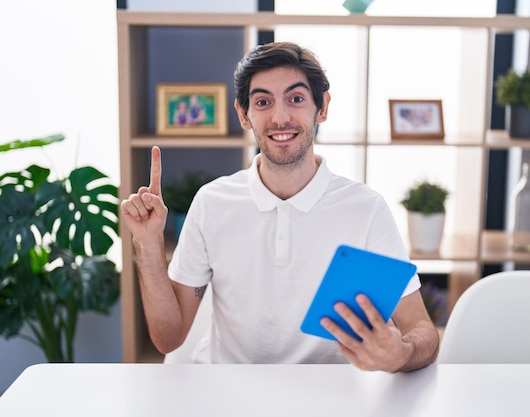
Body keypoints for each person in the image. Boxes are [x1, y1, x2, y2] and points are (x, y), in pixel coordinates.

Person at [120, 41, 439, 373]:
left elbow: (423, 332)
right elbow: (168, 339)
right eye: (262, 102)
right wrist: (148, 243)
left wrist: (401, 354)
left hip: (328, 396)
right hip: (228, 393)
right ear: (244, 114)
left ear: (322, 107)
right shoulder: (212, 203)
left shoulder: (365, 209)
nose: (280, 117)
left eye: (296, 99)